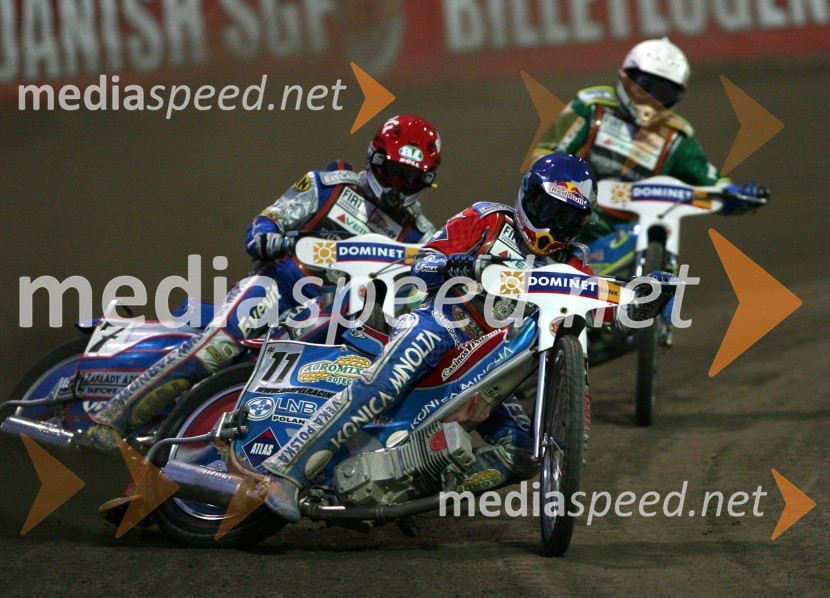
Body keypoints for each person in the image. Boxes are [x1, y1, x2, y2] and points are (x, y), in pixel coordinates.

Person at [260, 152, 675, 523]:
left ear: (579, 223)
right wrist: (451, 264)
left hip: (495, 362)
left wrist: (641, 304)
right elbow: (422, 261)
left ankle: (408, 480)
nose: (551, 225)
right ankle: (286, 471)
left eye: (564, 217)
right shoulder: (488, 218)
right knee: (381, 385)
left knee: (523, 453)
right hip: (444, 324)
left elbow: (600, 310)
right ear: (527, 197)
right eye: (545, 208)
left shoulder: (574, 260)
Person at [85, 114, 442, 452]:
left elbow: (418, 292)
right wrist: (271, 238)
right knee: (219, 346)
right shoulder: (327, 186)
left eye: (410, 179)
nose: (398, 187)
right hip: (281, 286)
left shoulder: (422, 239)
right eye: (393, 173)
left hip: (338, 322)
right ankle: (112, 418)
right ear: (374, 159)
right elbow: (267, 221)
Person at [531, 37, 768, 245]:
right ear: (627, 76)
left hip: (629, 234)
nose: (652, 99)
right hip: (569, 220)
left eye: (664, 93)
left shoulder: (677, 136)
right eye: (646, 86)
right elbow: (545, 155)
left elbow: (709, 179)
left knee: (661, 240)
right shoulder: (591, 105)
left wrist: (736, 194)